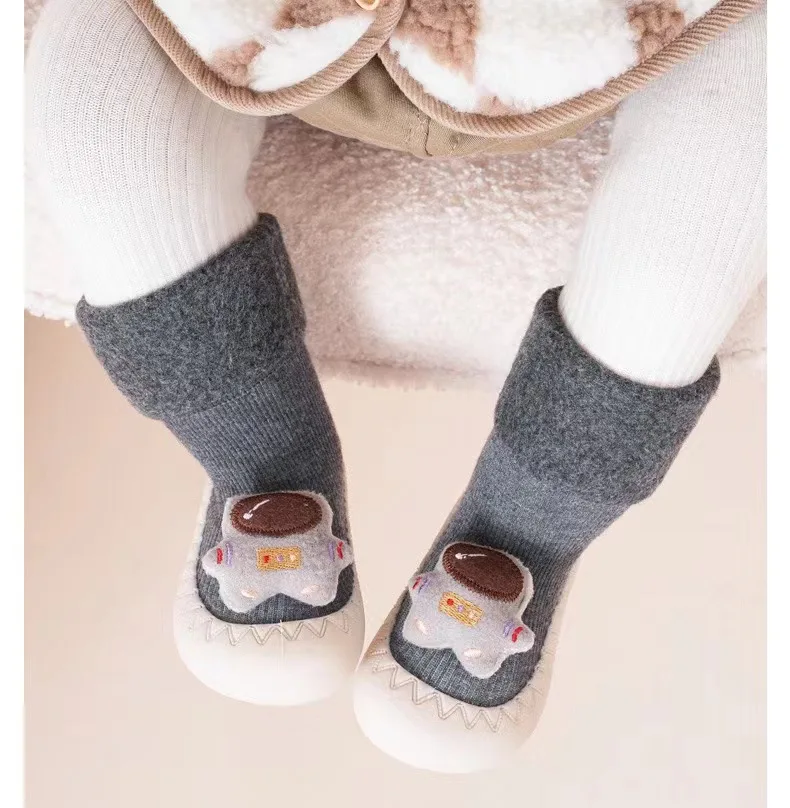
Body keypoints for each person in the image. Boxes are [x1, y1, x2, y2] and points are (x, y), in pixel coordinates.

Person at [26, 0, 766, 773]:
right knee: (101, 137)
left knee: (727, 163)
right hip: (262, 20)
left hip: (609, 33)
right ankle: (267, 450)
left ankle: (530, 519)